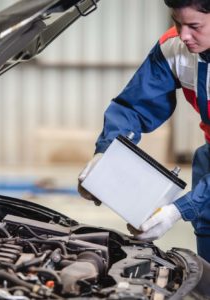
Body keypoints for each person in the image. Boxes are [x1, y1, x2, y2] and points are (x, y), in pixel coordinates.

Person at [78, 0, 210, 263]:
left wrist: (179, 210)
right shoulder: (174, 48)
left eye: (195, 26)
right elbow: (133, 107)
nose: (184, 35)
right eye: (177, 22)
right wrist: (106, 154)